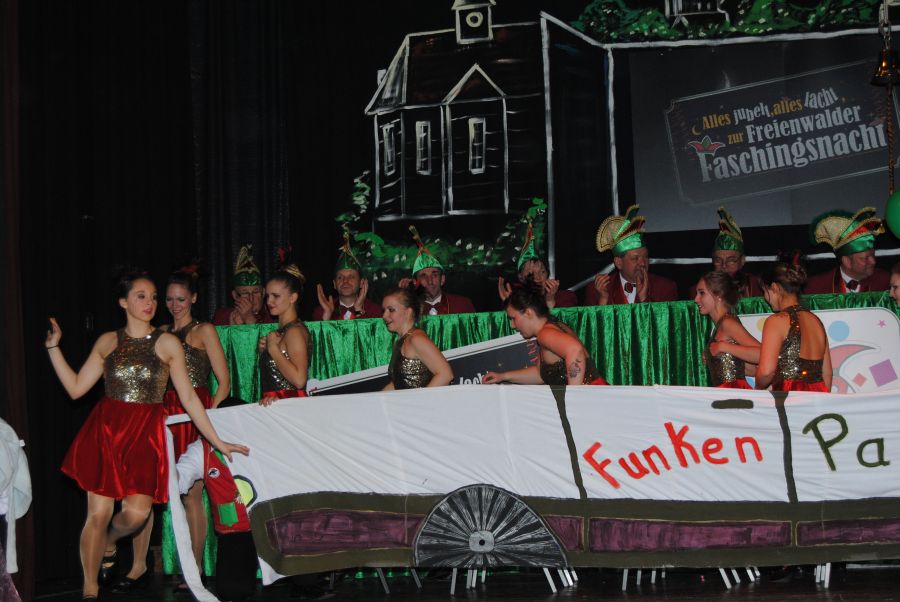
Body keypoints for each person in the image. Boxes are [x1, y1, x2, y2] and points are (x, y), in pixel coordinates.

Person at [45, 270, 248, 600]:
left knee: (136, 514)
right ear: (123, 302)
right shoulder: (108, 341)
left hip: (144, 435)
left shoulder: (167, 343)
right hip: (106, 431)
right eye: (141, 296)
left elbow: (189, 398)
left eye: (153, 297)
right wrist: (54, 348)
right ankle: (90, 590)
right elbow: (76, 388)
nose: (150, 302)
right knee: (97, 514)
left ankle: (110, 542)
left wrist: (217, 441)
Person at [160, 266, 232, 593]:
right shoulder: (161, 333)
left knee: (192, 494)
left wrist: (208, 418)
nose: (175, 305)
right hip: (166, 414)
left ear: (193, 298)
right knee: (164, 489)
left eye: (181, 299)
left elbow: (224, 381)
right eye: (170, 299)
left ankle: (196, 570)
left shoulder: (204, 330)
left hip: (195, 413)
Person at [175, 398, 257, 602]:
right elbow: (179, 479)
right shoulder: (202, 449)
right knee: (231, 590)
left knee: (305, 579)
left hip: (272, 524)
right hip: (236, 531)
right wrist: (162, 465)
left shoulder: (262, 439)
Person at [483, 284, 607, 386]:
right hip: (596, 395)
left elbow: (575, 350)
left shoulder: (545, 334)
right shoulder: (555, 326)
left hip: (592, 399)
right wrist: (502, 376)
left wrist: (573, 396)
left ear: (528, 313)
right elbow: (539, 375)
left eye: (513, 318)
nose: (512, 325)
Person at [757, 262, 832, 392]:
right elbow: (827, 373)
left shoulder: (776, 320)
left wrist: (757, 387)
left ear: (774, 287)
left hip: (790, 396)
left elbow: (766, 372)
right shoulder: (816, 321)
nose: (765, 298)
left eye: (765, 291)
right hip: (818, 395)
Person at [585, 204, 678, 306]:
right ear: (619, 263)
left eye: (645, 257)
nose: (643, 263)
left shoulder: (665, 288)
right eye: (635, 258)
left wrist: (644, 299)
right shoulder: (597, 290)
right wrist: (603, 300)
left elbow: (665, 317)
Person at [694, 271, 760, 389]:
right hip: (727, 392)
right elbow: (751, 369)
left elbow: (762, 354)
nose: (696, 299)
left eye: (702, 293)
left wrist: (723, 347)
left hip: (734, 392)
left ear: (719, 295)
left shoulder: (727, 323)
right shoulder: (721, 325)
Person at [804, 207, 889, 294]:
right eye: (865, 258)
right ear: (847, 261)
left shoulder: (885, 281)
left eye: (872, 255)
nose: (873, 261)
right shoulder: (817, 286)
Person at [381, 287, 453, 389]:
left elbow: (446, 375)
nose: (384, 315)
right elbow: (397, 384)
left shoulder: (416, 339)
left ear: (408, 312)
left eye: (391, 310)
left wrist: (421, 398)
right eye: (384, 310)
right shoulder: (402, 340)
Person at [258, 263, 311, 404]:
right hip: (278, 406)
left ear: (292, 298)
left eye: (275, 296)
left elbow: (299, 380)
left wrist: (273, 349)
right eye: (267, 296)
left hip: (290, 408)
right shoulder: (284, 331)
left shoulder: (294, 331)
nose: (269, 301)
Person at [498, 219, 577, 309]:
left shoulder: (565, 297)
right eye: (531, 273)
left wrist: (550, 301)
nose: (538, 278)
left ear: (548, 274)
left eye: (542, 272)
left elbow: (566, 317)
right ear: (521, 277)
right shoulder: (516, 301)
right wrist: (511, 306)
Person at [398, 226, 475, 316]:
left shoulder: (462, 305)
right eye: (423, 276)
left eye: (434, 275)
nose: (430, 281)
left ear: (442, 279)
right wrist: (401, 296)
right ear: (415, 282)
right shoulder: (408, 309)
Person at [688, 207, 763, 299]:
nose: (724, 266)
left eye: (731, 260)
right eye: (718, 260)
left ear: (742, 261)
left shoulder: (755, 286)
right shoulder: (700, 289)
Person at [313, 227, 381, 321]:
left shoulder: (375, 311)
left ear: (362, 283)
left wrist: (358, 310)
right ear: (334, 284)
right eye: (340, 277)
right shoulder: (321, 312)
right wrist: (327, 316)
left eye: (351, 277)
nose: (345, 281)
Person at [212, 244, 276, 326]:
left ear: (263, 293)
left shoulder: (273, 317)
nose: (251, 298)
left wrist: (249, 319)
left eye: (256, 292)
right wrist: (232, 329)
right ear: (235, 295)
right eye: (245, 293)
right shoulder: (222, 316)